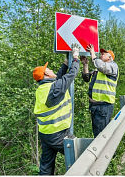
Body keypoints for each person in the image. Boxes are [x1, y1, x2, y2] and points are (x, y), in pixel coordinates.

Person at [32, 44, 80, 175]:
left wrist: (65, 63)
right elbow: (72, 74)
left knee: (46, 166)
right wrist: (75, 56)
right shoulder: (55, 88)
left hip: (45, 134)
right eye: (50, 69)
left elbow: (58, 78)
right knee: (80, 156)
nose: (52, 70)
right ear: (47, 74)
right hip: (58, 134)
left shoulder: (42, 89)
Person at [80, 44, 119, 138]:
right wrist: (85, 65)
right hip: (95, 106)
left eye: (103, 53)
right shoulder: (98, 70)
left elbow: (102, 67)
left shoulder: (113, 66)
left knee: (100, 136)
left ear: (110, 57)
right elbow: (86, 78)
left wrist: (93, 54)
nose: (101, 54)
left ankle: (104, 152)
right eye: (100, 53)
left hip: (104, 106)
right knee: (97, 133)